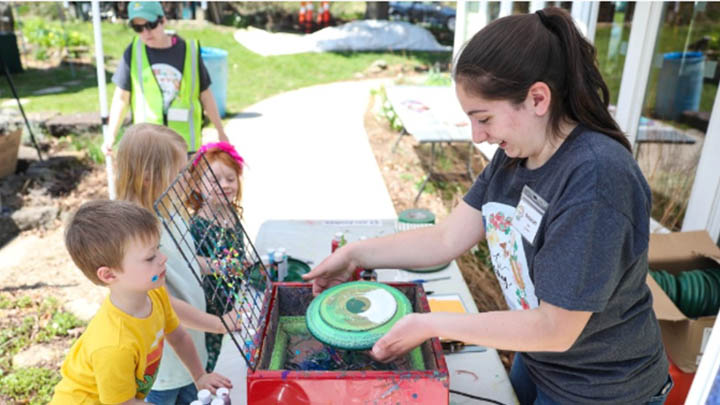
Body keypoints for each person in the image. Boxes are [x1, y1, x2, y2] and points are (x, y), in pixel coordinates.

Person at [303, 7, 672, 404]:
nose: (478, 136)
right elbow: (447, 238)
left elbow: (556, 328)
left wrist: (431, 324)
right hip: (537, 362)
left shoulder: (596, 179)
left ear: (537, 98)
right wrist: (355, 253)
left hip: (600, 389)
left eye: (484, 118)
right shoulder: (517, 154)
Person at [49, 200, 231, 404]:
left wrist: (200, 376)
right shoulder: (113, 346)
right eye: (149, 257)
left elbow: (178, 336)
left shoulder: (156, 294)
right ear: (109, 274)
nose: (162, 258)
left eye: (158, 249)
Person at [115, 123, 233, 403]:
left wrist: (220, 266)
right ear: (148, 177)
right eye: (179, 173)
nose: (187, 179)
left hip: (191, 353)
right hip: (163, 366)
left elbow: (185, 262)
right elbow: (161, 302)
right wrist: (219, 324)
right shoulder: (136, 235)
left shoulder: (169, 212)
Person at [106, 1, 228, 156]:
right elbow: (121, 97)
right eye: (138, 28)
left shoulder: (188, 51)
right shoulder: (133, 52)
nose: (146, 32)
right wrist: (111, 135)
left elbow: (205, 95)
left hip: (184, 146)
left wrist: (220, 132)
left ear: (163, 20)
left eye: (150, 25)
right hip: (148, 147)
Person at [187, 141, 246, 372]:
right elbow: (193, 263)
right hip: (212, 302)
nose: (225, 185)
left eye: (230, 179)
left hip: (234, 292)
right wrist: (223, 266)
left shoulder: (232, 213)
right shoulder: (198, 225)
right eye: (215, 180)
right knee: (215, 351)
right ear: (198, 186)